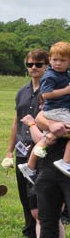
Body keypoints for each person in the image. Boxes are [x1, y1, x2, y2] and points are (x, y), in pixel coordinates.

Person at [15, 112, 70, 238]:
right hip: (50, 163)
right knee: (46, 218)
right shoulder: (58, 99)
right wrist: (52, 126)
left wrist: (61, 131)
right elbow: (39, 117)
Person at [5, 50, 48, 238]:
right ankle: (30, 228)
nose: (34, 68)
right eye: (30, 64)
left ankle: (43, 229)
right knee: (24, 191)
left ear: (47, 66)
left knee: (37, 192)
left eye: (38, 64)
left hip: (42, 150)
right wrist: (9, 151)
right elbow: (16, 122)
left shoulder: (51, 92)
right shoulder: (22, 92)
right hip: (22, 149)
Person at [18, 42, 70, 181]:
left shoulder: (65, 75)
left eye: (62, 60)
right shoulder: (51, 76)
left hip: (58, 113)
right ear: (50, 60)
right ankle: (65, 163)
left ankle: (30, 166)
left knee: (47, 138)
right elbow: (41, 112)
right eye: (55, 60)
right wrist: (50, 124)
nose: (58, 63)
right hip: (58, 112)